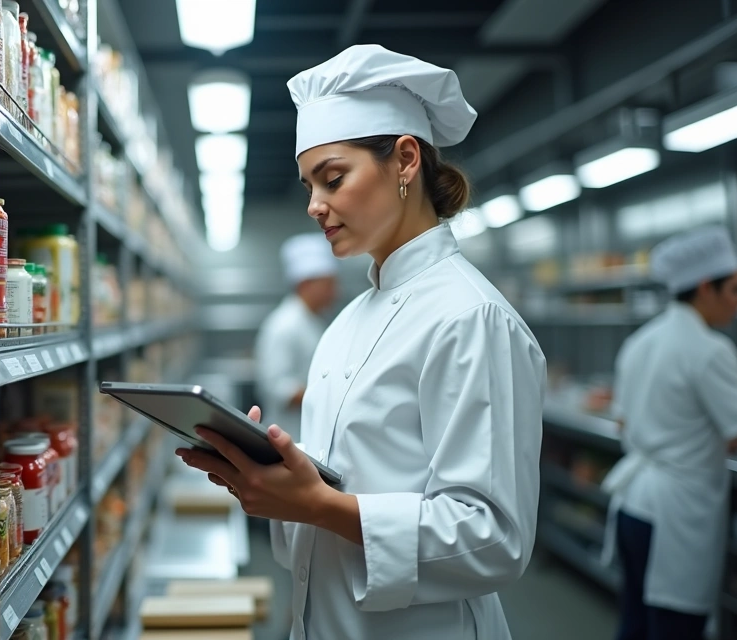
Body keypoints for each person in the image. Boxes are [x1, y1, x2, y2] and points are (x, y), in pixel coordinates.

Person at [175, 45, 547, 639]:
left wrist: (320, 507)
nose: (314, 206)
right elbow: (349, 477)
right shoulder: (349, 320)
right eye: (308, 185)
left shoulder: (470, 318)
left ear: (404, 161)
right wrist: (269, 477)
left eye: (333, 178)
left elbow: (494, 540)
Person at [602, 225, 737, 640]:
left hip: (633, 506)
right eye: (736, 290)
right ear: (707, 287)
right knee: (675, 629)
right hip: (675, 515)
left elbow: (628, 421)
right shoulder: (709, 349)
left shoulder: (641, 340)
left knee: (635, 623)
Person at [253, 233, 339, 440]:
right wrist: (331, 396)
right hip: (290, 434)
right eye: (328, 284)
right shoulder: (285, 325)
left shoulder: (313, 321)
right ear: (306, 283)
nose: (334, 292)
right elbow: (278, 387)